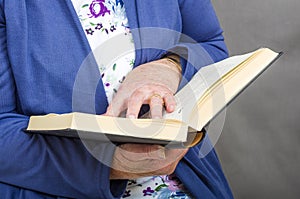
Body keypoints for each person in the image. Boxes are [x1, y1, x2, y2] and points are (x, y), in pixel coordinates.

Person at [0, 0, 234, 198]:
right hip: (61, 188)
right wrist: (110, 164)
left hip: (188, 178)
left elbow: (210, 44)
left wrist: (170, 67)